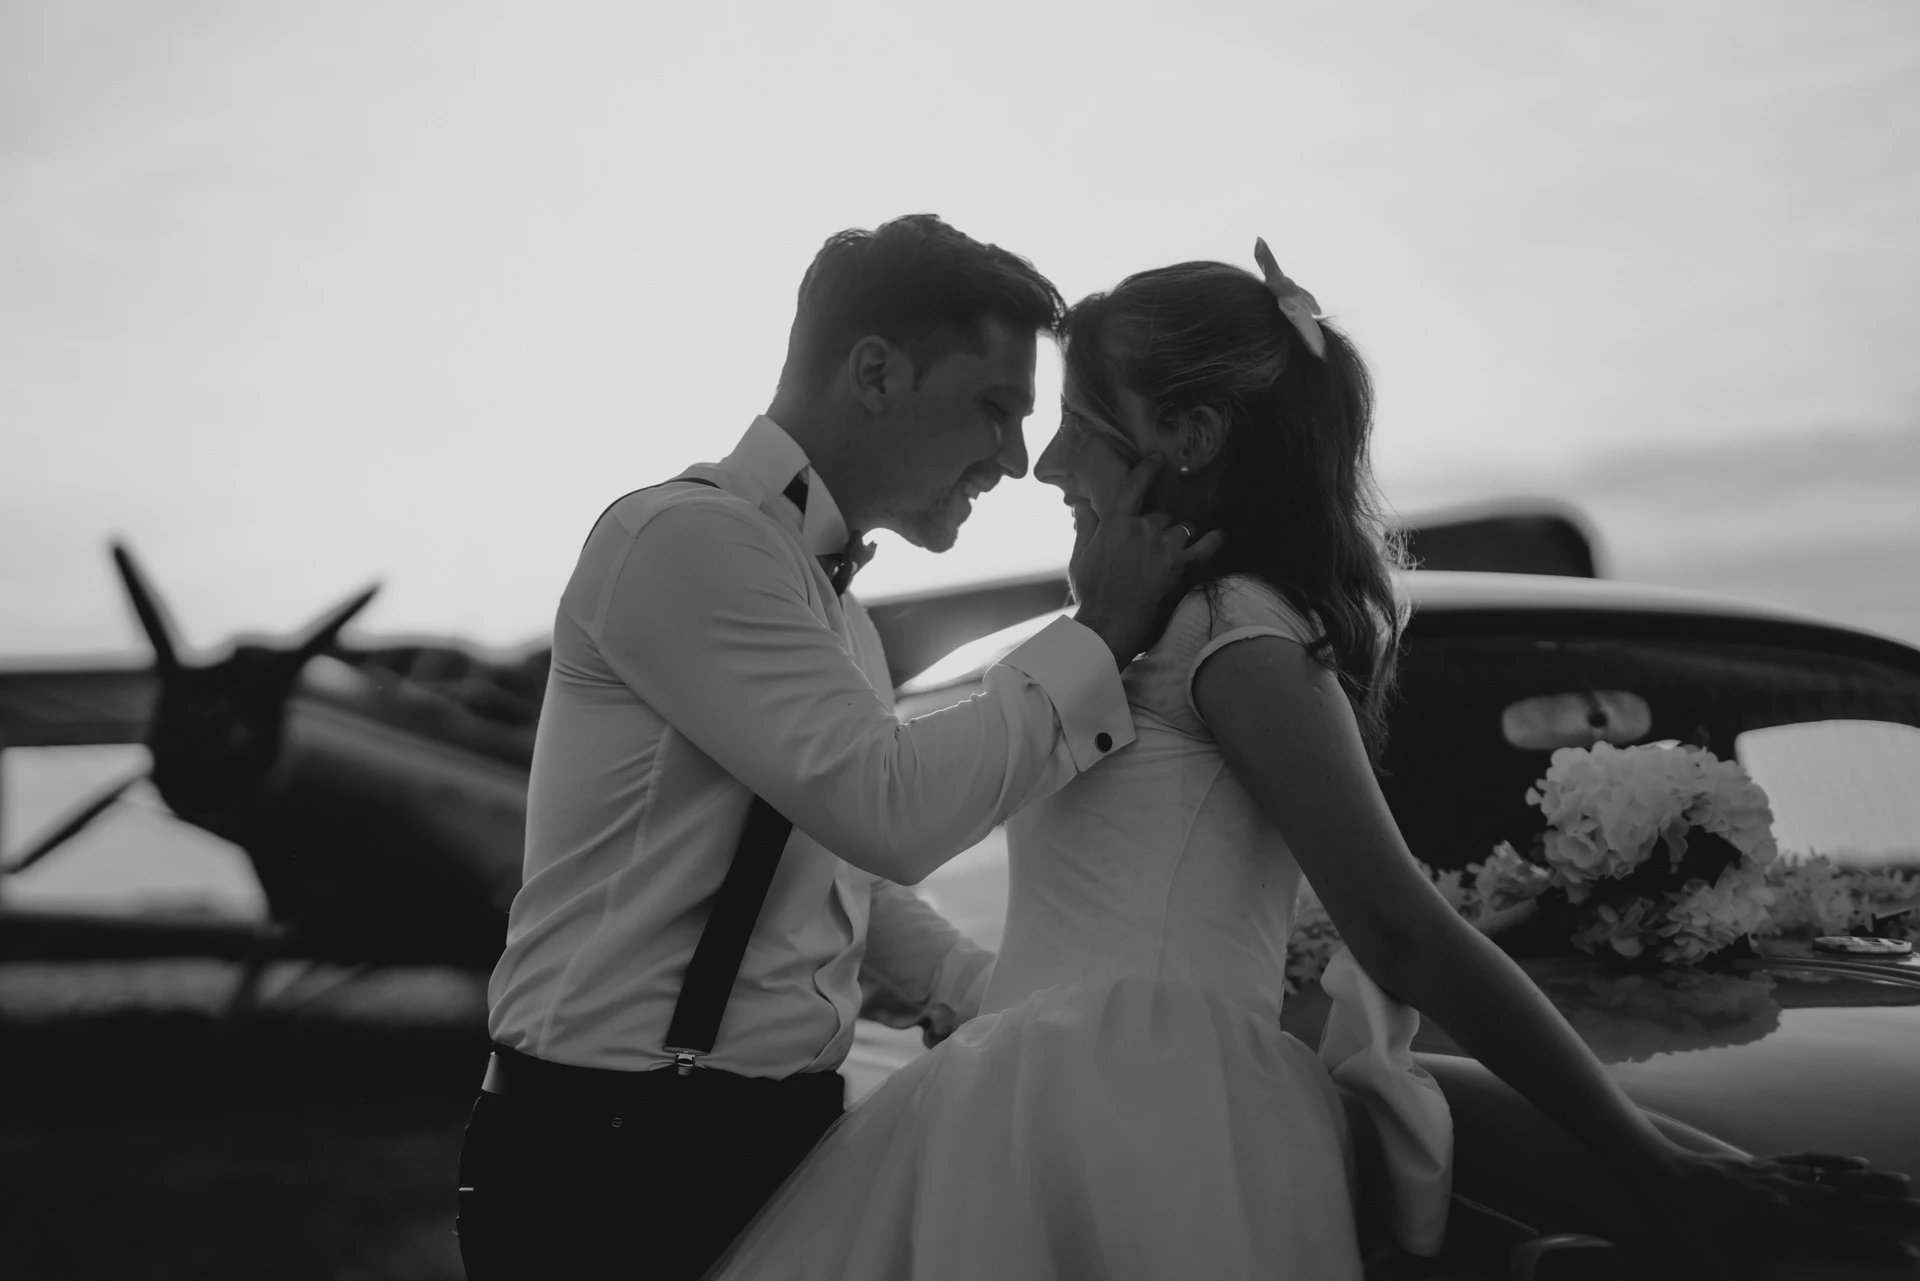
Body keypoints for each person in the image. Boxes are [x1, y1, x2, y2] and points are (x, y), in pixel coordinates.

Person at [703, 244, 1920, 1280]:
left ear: (1189, 435)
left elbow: (1395, 928)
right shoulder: (1137, 639)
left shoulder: (1234, 633)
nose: (1048, 466)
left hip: (1130, 1105)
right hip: (1081, 1093)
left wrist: (1663, 1170)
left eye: (1078, 426)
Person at [454, 214, 1220, 1281]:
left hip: (770, 1143)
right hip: (612, 1161)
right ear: (873, 371)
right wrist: (1097, 638)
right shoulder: (686, 541)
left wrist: (981, 998)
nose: (1012, 458)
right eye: (994, 408)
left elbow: (829, 869)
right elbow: (888, 809)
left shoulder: (835, 608)